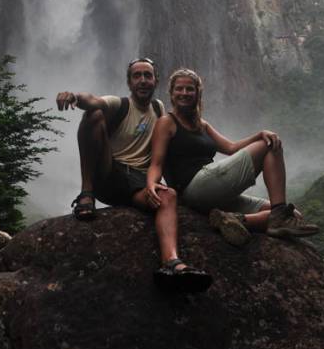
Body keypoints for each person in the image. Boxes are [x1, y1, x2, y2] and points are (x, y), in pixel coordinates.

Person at [56, 58, 212, 293]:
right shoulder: (119, 104)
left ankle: (171, 263)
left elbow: (168, 148)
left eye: (147, 75)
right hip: (110, 173)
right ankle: (86, 193)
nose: (142, 80)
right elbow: (94, 101)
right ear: (129, 82)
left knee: (168, 196)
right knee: (93, 115)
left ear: (155, 81)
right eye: (137, 75)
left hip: (139, 183)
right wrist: (75, 98)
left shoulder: (160, 110)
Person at [146, 68, 319, 247]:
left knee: (294, 215)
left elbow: (231, 148)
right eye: (179, 89)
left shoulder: (201, 125)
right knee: (268, 146)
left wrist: (259, 134)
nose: (184, 93)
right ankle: (278, 215)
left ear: (198, 93)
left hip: (212, 190)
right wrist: (152, 184)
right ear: (171, 94)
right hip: (192, 188)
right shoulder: (166, 122)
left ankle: (235, 220)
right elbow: (156, 163)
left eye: (190, 89)